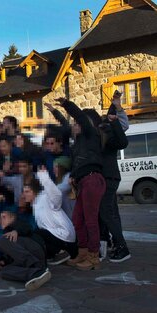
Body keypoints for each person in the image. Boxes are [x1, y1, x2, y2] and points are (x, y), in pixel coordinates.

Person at [52, 98, 106, 271]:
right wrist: (73, 176)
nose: (74, 125)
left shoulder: (91, 135)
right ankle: (82, 253)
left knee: (90, 220)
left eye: (76, 124)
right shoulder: (78, 145)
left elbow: (81, 118)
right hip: (83, 182)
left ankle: (93, 256)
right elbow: (78, 164)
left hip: (93, 180)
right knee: (77, 219)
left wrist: (67, 105)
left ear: (83, 125)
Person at [99, 94, 131, 263]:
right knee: (110, 212)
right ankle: (112, 243)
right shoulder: (102, 133)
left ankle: (121, 246)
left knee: (108, 212)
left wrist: (117, 108)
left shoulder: (111, 135)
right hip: (105, 178)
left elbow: (123, 128)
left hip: (109, 177)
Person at [23, 168, 77, 265]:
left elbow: (56, 195)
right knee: (33, 235)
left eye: (27, 191)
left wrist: (44, 177)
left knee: (35, 234)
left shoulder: (45, 198)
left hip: (66, 239)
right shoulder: (35, 206)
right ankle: (55, 254)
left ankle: (60, 253)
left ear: (34, 192)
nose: (24, 195)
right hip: (59, 239)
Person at [0, 211, 51, 291]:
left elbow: (27, 227)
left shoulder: (17, 223)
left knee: (2, 240)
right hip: (26, 260)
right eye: (0, 217)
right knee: (4, 271)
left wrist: (16, 231)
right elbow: (16, 252)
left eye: (4, 216)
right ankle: (35, 273)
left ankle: (34, 265)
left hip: (35, 252)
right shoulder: (6, 233)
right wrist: (4, 261)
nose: (1, 219)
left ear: (12, 217)